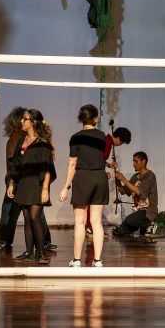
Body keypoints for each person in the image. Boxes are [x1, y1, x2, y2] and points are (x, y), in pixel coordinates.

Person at [59, 104, 109, 267]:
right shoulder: (101, 136)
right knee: (96, 222)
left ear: (81, 118)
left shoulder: (76, 137)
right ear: (95, 118)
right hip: (99, 177)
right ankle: (98, 260)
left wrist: (66, 186)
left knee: (80, 221)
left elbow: (73, 163)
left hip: (83, 178)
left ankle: (77, 260)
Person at [0, 107, 54, 253]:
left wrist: (44, 189)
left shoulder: (40, 141)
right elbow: (14, 163)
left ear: (33, 122)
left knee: (35, 217)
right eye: (22, 118)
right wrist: (12, 183)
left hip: (33, 184)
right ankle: (25, 249)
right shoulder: (19, 139)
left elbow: (47, 167)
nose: (22, 121)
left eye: (25, 119)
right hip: (20, 183)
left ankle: (41, 250)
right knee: (23, 217)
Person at [88, 126, 132, 234]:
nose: (119, 145)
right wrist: (102, 173)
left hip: (93, 173)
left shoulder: (106, 140)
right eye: (121, 143)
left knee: (92, 202)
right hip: (94, 174)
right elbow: (95, 159)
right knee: (94, 203)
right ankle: (91, 228)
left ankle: (90, 227)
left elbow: (99, 158)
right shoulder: (107, 143)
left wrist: (108, 165)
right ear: (119, 138)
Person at [113, 151, 159, 237]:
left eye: (136, 161)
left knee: (130, 220)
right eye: (133, 161)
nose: (134, 164)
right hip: (138, 212)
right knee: (120, 231)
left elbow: (139, 191)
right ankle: (143, 227)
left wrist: (123, 179)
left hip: (148, 211)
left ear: (144, 161)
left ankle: (150, 224)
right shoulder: (135, 177)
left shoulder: (150, 176)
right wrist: (118, 180)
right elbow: (123, 192)